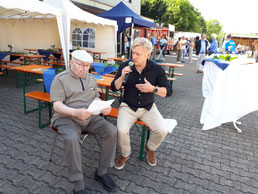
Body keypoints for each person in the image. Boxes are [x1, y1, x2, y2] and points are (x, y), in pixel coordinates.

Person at [50, 50, 118, 194]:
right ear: (72, 62)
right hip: (66, 118)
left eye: (88, 66)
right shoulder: (60, 79)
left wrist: (102, 106)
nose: (85, 69)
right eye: (81, 65)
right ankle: (78, 184)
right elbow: (57, 105)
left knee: (111, 131)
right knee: (72, 139)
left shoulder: (91, 78)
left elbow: (95, 98)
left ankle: (101, 171)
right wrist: (75, 112)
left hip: (89, 116)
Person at [110, 38, 172, 169]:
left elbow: (168, 91)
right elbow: (114, 88)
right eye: (133, 53)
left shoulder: (156, 69)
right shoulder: (125, 66)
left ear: (148, 55)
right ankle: (125, 154)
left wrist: (153, 89)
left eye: (138, 54)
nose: (134, 56)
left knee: (162, 130)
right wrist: (121, 77)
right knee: (121, 130)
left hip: (148, 107)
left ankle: (150, 148)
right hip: (128, 106)